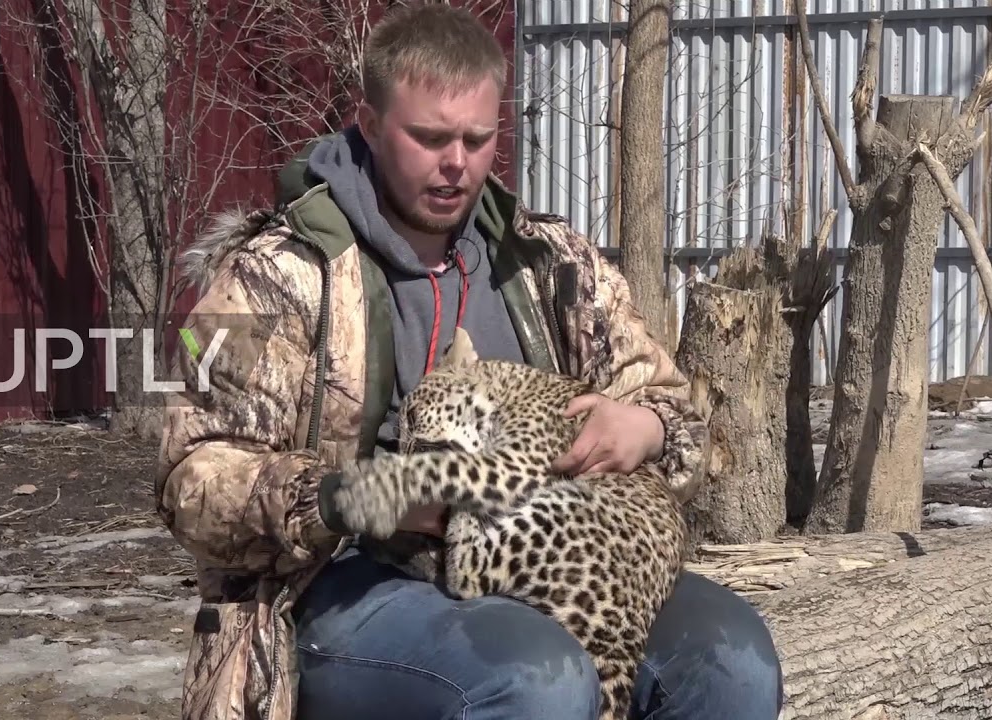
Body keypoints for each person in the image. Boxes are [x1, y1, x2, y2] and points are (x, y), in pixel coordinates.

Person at [156, 4, 784, 719]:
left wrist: (647, 427)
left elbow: (680, 413)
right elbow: (190, 481)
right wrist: (353, 497)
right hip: (343, 581)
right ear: (368, 122)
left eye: (477, 139)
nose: (457, 163)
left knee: (734, 665)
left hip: (556, 553)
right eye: (428, 138)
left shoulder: (550, 260)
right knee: (536, 682)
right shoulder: (269, 273)